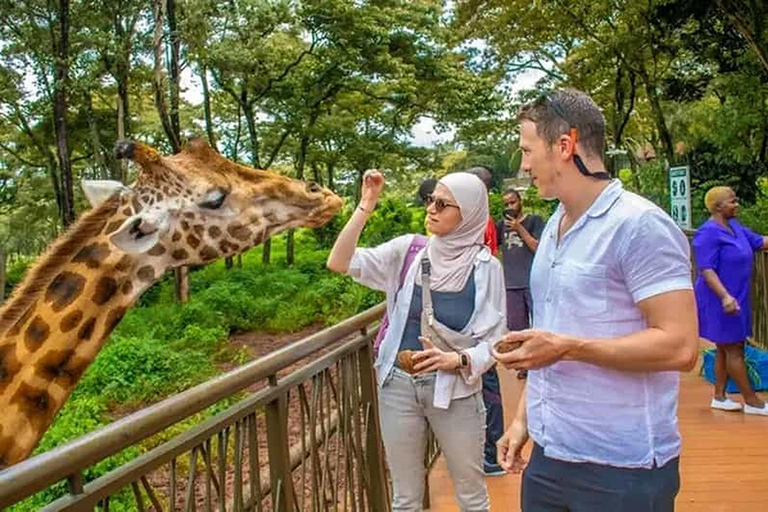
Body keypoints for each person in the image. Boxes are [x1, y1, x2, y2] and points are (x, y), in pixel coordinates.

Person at [492, 88, 699, 511]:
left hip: (622, 470)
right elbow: (551, 334)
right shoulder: (554, 226)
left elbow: (681, 347)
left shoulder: (639, 225)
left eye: (528, 150)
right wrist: (523, 421)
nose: (524, 165)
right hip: (550, 457)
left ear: (564, 146)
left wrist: (570, 348)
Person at [327, 170, 506, 511]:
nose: (432, 209)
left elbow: (495, 341)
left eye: (443, 203)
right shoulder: (409, 251)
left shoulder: (486, 268)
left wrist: (458, 360)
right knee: (405, 498)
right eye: (430, 200)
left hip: (454, 391)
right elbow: (339, 262)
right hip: (398, 386)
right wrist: (365, 205)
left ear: (467, 212)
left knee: (471, 496)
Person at [693, 185, 768, 415]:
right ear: (718, 207)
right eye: (732, 201)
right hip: (719, 298)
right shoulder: (707, 233)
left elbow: (760, 242)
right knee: (734, 347)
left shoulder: (735, 227)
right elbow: (706, 269)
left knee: (726, 347)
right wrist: (725, 296)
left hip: (737, 296)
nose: (737, 205)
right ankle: (753, 401)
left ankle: (719, 396)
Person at [466, 165, 505, 476]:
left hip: (480, 320)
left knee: (486, 385)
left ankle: (491, 454)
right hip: (479, 315)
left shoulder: (478, 224)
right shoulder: (483, 221)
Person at [497, 187, 545, 381]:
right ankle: (526, 364)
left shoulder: (534, 221)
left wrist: (519, 228)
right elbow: (495, 249)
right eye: (506, 204)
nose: (510, 207)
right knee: (518, 328)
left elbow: (538, 248)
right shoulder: (501, 226)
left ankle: (542, 360)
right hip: (511, 283)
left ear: (520, 202)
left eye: (512, 202)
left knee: (540, 323)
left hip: (533, 281)